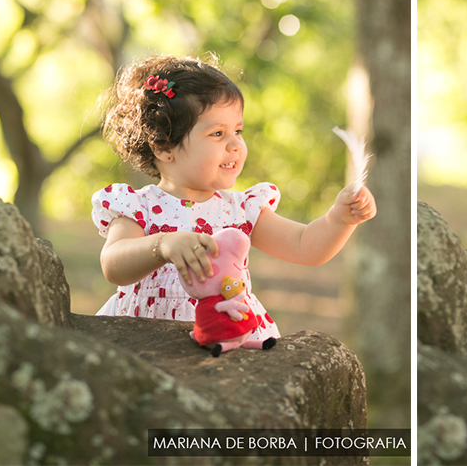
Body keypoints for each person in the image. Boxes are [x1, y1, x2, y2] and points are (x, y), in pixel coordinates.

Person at [91, 54, 376, 345]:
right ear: (164, 147)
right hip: (149, 341)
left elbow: (305, 247)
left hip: (227, 335)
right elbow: (113, 265)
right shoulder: (138, 207)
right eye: (217, 133)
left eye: (238, 131)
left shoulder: (241, 209)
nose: (235, 144)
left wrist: (339, 219)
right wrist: (162, 245)